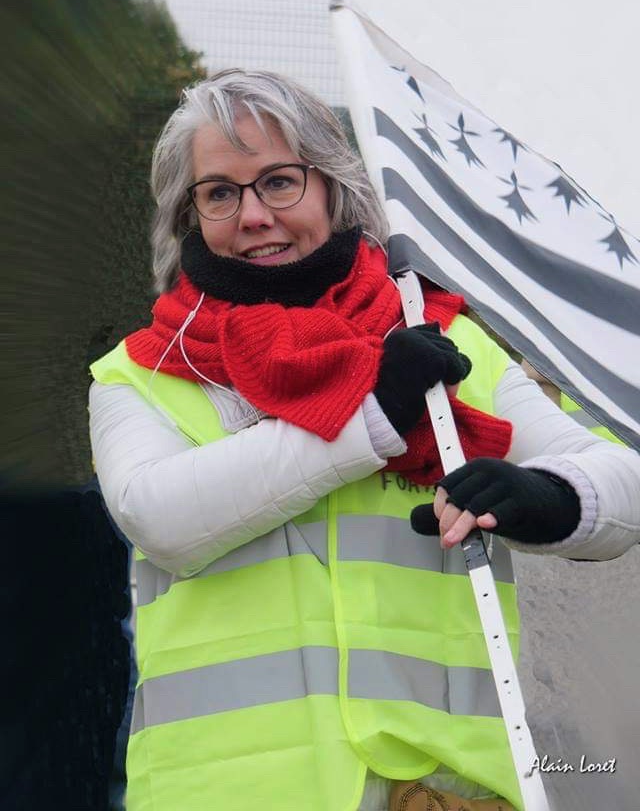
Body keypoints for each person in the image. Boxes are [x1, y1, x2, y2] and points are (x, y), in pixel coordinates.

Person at [89, 69, 640, 811]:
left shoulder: (444, 341)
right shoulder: (143, 372)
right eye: (219, 192)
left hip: (453, 790)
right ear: (189, 216)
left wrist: (549, 498)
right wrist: (371, 413)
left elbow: (620, 478)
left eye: (280, 182)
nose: (253, 215)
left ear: (333, 187)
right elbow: (161, 518)